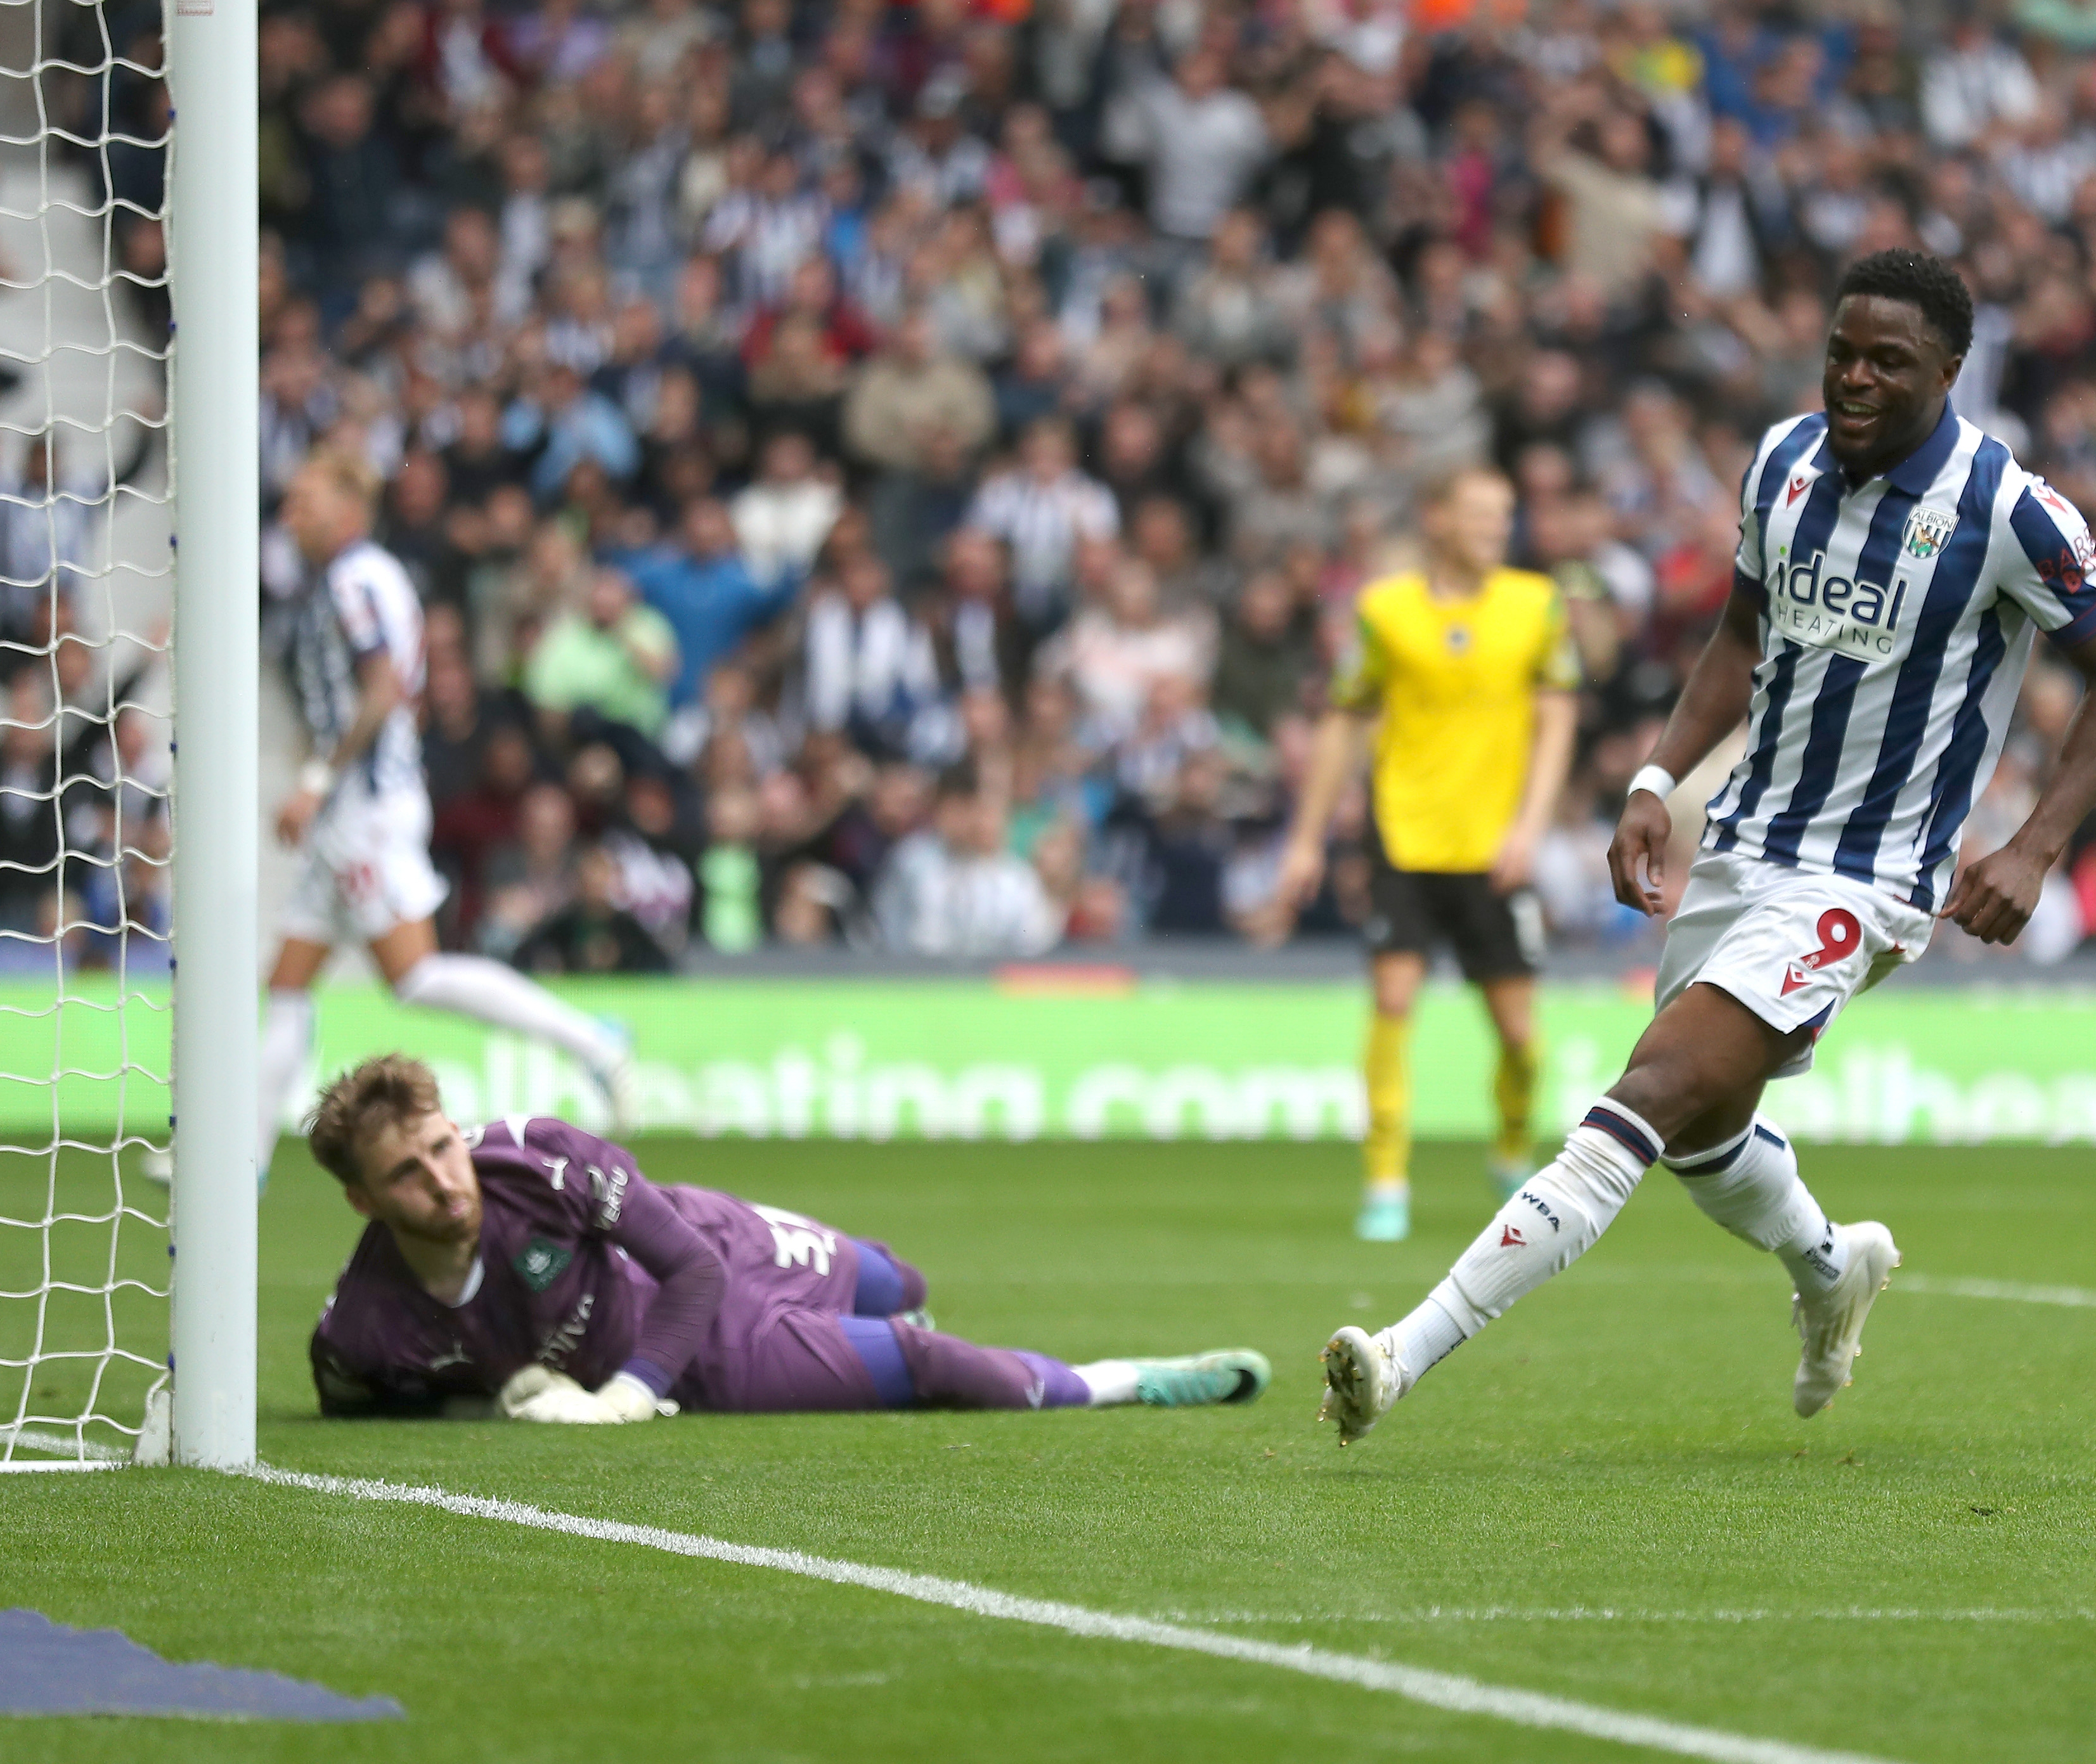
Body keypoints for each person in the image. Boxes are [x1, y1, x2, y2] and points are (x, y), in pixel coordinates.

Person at [1319, 250, 2096, 1441]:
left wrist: (2034, 845)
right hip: (1743, 841)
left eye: (1889, 362)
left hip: (1865, 879)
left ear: (1951, 372)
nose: (1854, 378)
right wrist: (1658, 776)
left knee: (1651, 1088)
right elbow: (1740, 632)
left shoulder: (2010, 510)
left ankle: (1402, 1351)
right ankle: (1830, 1268)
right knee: (1705, 1132)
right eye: (1840, 352)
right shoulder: (1782, 460)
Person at [305, 1055, 1267, 1421]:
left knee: (900, 1278)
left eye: (442, 1146)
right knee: (922, 1358)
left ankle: (856, 1309)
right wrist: (489, 1400)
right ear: (362, 1201)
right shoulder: (363, 1326)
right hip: (709, 1351)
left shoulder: (538, 1159)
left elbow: (690, 1263)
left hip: (704, 1246)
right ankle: (1126, 1378)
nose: (444, 1180)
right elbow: (360, 1401)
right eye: (408, 1173)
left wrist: (620, 1403)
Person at [256, 451, 632, 1175]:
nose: (290, 516)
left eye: (304, 500)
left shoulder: (353, 579)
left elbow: (383, 686)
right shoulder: (378, 575)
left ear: (346, 511)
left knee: (416, 977)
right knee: (287, 985)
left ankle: (596, 1040)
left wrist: (314, 779)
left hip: (363, 811)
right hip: (355, 812)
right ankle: (235, 1160)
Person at [1273, 467, 1581, 1242]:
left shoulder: (1536, 606)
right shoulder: (1384, 610)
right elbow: (1345, 721)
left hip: (1494, 848)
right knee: (1393, 1001)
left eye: (1504, 514)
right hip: (1403, 836)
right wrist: (1308, 838)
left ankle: (1512, 1145)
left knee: (1519, 1035)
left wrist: (1529, 828)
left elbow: (1557, 719)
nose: (1495, 527)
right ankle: (1384, 1181)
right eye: (1480, 513)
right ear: (1437, 518)